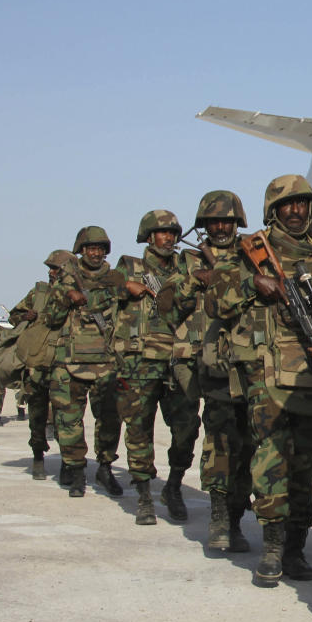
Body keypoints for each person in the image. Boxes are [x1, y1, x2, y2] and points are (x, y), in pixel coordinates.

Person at [205, 175, 312, 587]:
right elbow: (216, 300)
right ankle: (274, 547)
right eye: (287, 205)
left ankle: (295, 547)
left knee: (305, 465)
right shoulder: (252, 253)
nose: (296, 211)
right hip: (266, 378)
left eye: (302, 204)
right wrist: (251, 283)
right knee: (269, 463)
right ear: (273, 211)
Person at [158, 190, 254, 552]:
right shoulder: (188, 261)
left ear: (237, 223)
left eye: (226, 221)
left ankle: (236, 518)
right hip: (209, 361)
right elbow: (165, 307)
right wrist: (195, 279)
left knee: (249, 445)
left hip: (248, 358)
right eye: (213, 222)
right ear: (203, 226)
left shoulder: (253, 254)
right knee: (219, 440)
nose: (220, 227)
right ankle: (218, 516)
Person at [112, 210, 201, 525]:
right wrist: (126, 288)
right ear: (149, 237)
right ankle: (144, 495)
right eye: (162, 232)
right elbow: (102, 291)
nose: (169, 238)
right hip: (141, 363)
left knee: (187, 428)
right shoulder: (129, 267)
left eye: (173, 233)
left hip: (179, 361)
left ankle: (174, 486)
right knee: (138, 428)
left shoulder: (188, 267)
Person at [42, 227, 126, 497]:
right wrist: (65, 298)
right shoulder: (67, 279)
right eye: (91, 248)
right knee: (68, 421)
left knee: (110, 420)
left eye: (101, 248)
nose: (96, 252)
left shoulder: (115, 278)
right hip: (69, 361)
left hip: (106, 362)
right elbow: (50, 319)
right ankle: (76, 470)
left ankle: (104, 467)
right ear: (81, 249)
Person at [9, 249, 72, 479]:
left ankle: (68, 463)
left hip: (65, 364)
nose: (52, 273)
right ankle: (38, 456)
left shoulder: (77, 294)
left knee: (67, 417)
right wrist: (26, 317)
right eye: (51, 269)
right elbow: (15, 315)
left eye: (56, 268)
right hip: (37, 365)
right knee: (36, 414)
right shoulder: (38, 293)